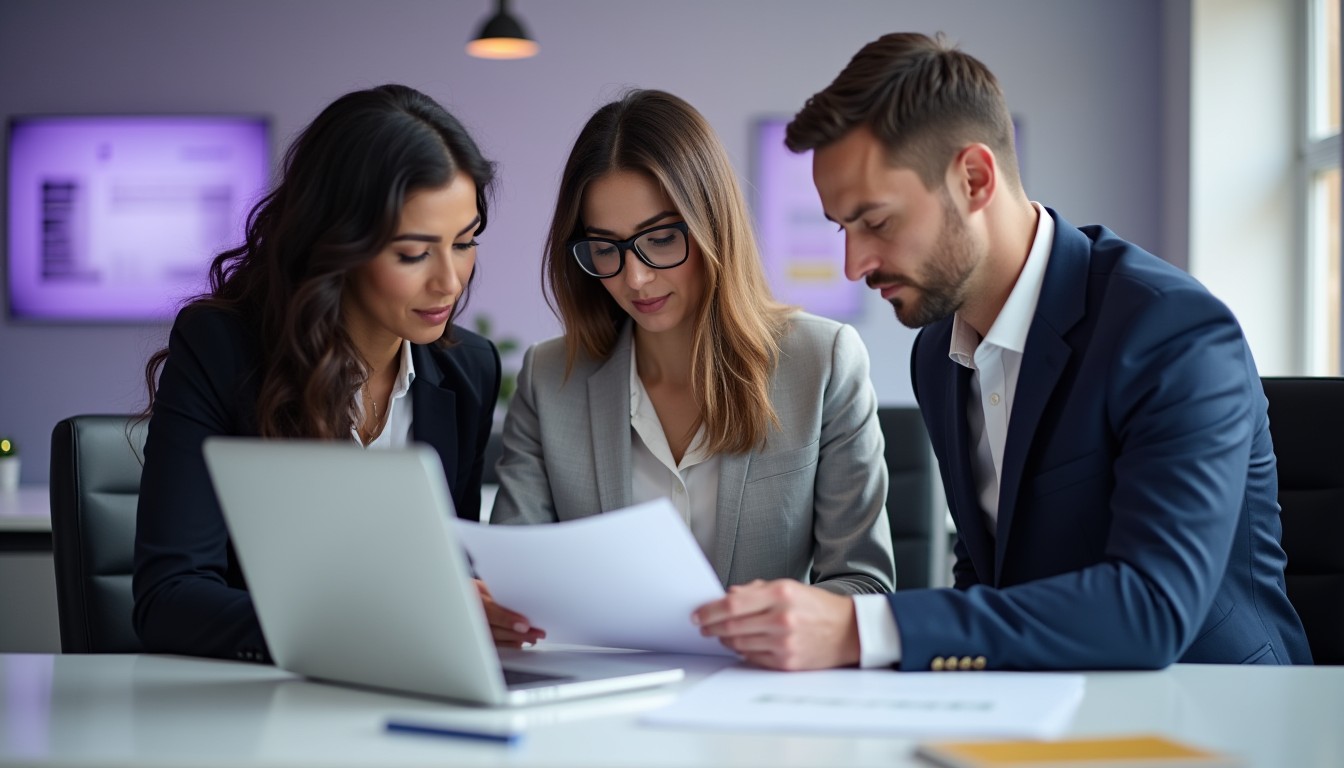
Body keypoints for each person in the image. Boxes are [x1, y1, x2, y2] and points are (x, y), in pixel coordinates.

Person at [693, 32, 1313, 671]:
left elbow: (1152, 608)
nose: (855, 265)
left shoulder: (1171, 331)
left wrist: (863, 629)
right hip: (1036, 708)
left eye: (876, 222)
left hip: (1215, 713)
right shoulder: (937, 353)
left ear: (974, 178)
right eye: (841, 228)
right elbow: (988, 576)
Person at [485, 89, 895, 648]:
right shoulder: (549, 377)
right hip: (599, 699)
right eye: (605, 248)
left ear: (712, 226)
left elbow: (867, 586)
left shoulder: (821, 363)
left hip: (757, 696)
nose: (634, 278)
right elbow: (517, 579)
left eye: (659, 239)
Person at [132, 84, 501, 662]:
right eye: (413, 252)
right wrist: (376, 623)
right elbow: (170, 601)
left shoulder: (466, 370)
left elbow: (449, 572)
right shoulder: (222, 348)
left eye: (465, 242)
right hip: (261, 711)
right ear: (338, 243)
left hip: (414, 699)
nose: (450, 282)